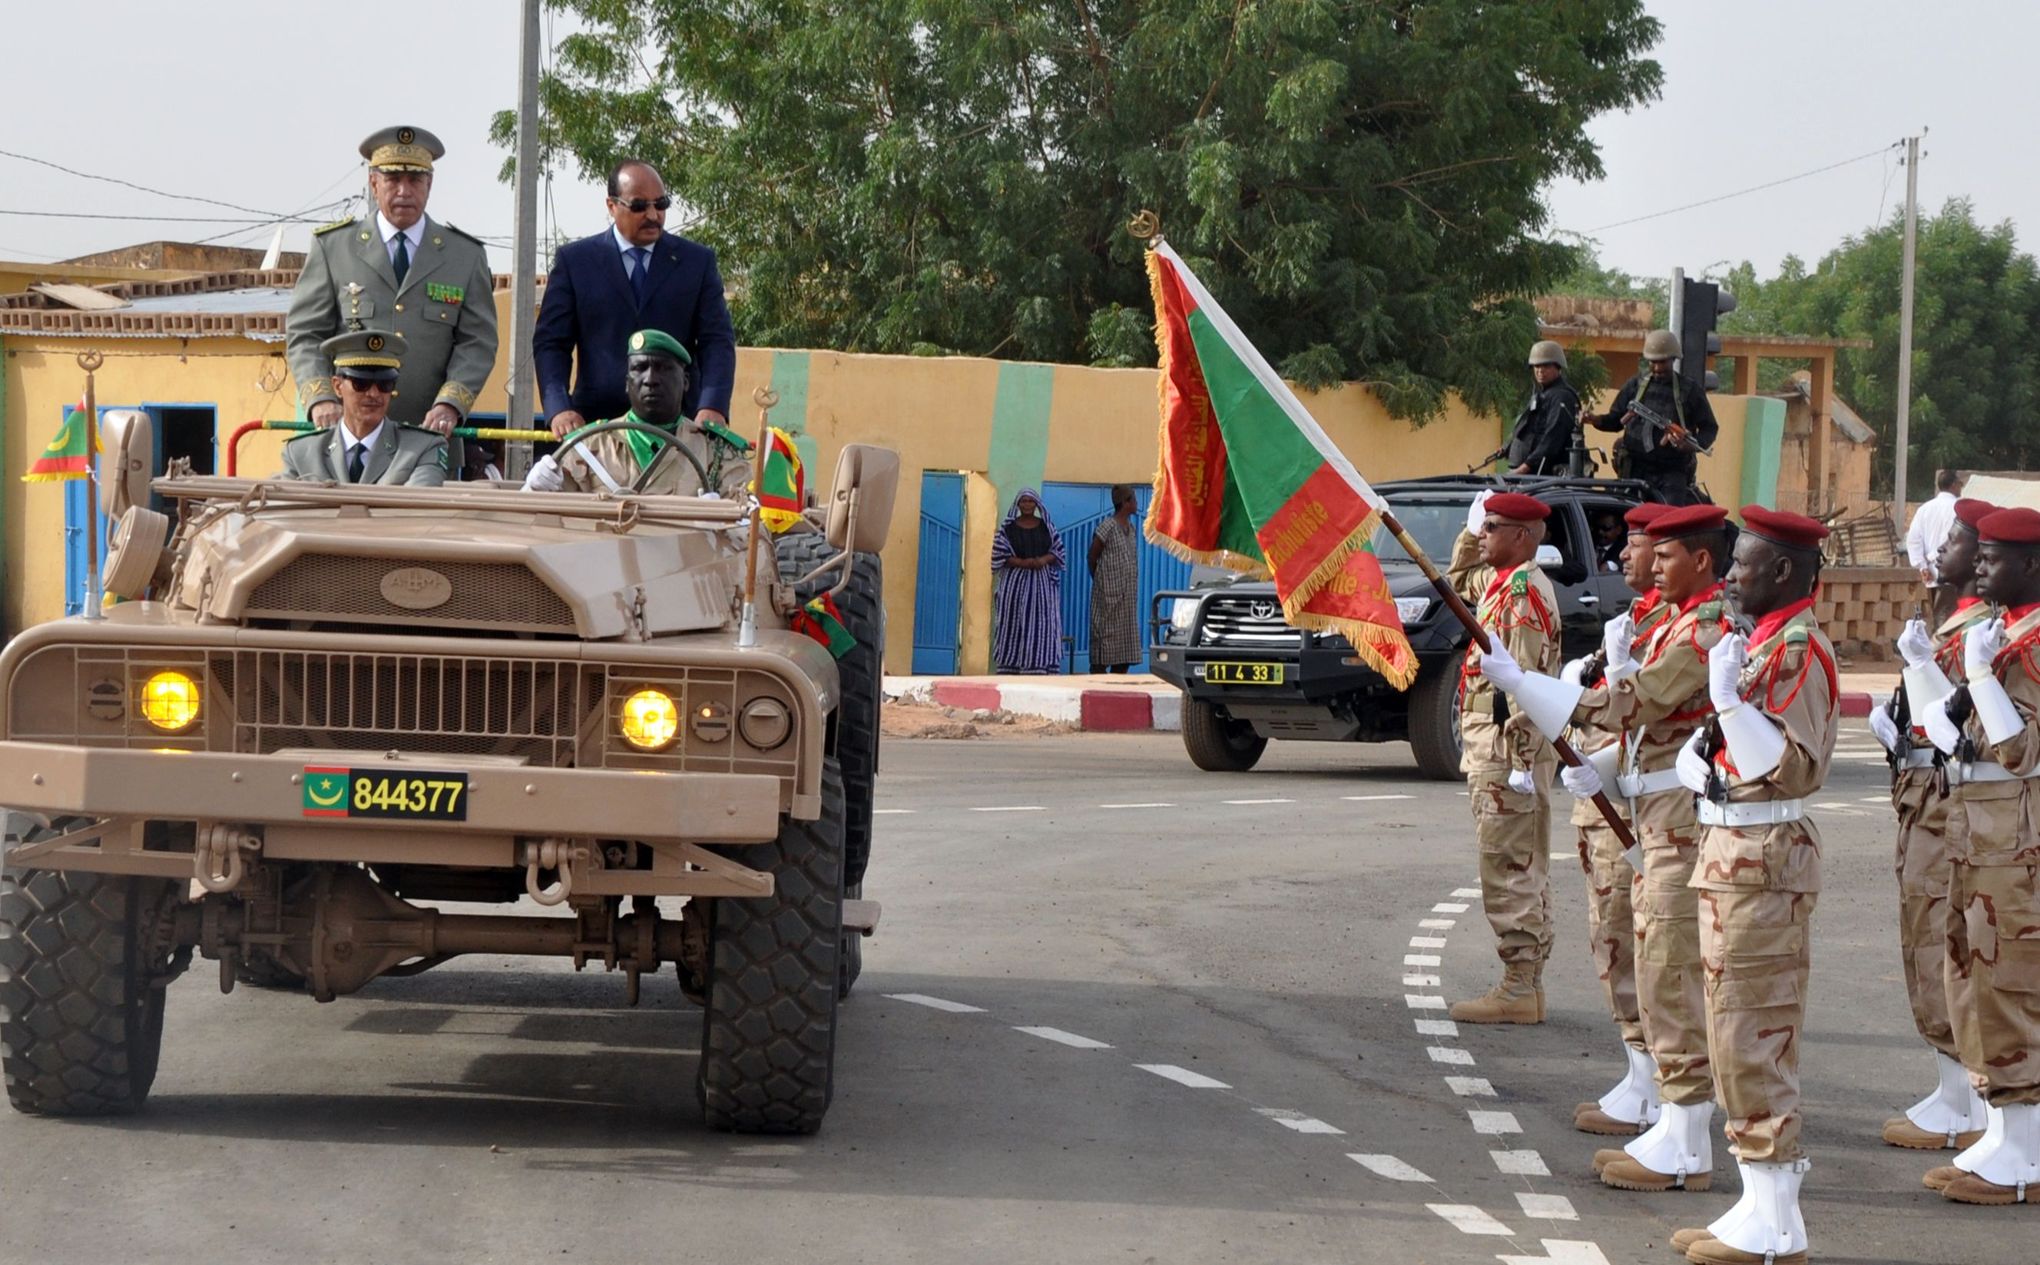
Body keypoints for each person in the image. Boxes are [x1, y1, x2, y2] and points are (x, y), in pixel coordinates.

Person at [1482, 503, 1735, 1195]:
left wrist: (1527, 686)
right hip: (1654, 806)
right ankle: (1672, 1120)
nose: (1645, 560)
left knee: (1670, 970)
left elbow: (1632, 704)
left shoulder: (1706, 630)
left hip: (1680, 818)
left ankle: (1685, 1136)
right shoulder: (1679, 621)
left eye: (1663, 550)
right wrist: (1608, 768)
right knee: (1654, 965)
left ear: (1700, 559)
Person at [1914, 505, 2040, 1206]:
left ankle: (2026, 1149)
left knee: (2011, 984)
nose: (1982, 565)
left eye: (1996, 556)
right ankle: (2004, 1128)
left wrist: (1982, 676)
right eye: (1980, 553)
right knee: (1972, 981)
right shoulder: (2006, 633)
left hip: (2016, 843)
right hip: (1980, 834)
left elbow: (2020, 749)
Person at [1867, 497, 1996, 1154]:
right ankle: (1954, 1089)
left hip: (1947, 805)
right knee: (1923, 941)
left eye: (1953, 544)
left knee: (1939, 947)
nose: (1939, 555)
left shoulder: (1980, 630)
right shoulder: (1950, 624)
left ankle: (1968, 1098)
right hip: (1922, 798)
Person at [1561, 501, 1674, 1139]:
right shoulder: (1639, 621)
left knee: (1643, 947)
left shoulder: (1679, 629)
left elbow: (1651, 714)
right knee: (1614, 939)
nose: (1628, 556)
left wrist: (1576, 699)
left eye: (1646, 547)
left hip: (1654, 812)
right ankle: (1641, 1073)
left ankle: (1660, 1086)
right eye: (1632, 545)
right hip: (1625, 798)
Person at [286, 126, 497, 439]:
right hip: (343, 436)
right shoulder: (333, 248)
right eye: (393, 179)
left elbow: (477, 343)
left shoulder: (464, 256)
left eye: (414, 179)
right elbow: (305, 334)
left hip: (428, 437)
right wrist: (320, 397)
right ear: (374, 182)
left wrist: (451, 404)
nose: (404, 190)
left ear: (430, 183)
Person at [1445, 490, 1561, 1024]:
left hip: (1505, 748)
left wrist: (1519, 762)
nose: (1483, 535)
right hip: (1493, 746)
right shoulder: (1502, 582)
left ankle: (1518, 986)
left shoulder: (1521, 597)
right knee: (1515, 862)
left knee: (1508, 865)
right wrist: (1471, 533)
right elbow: (1459, 579)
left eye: (1492, 527)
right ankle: (1526, 985)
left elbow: (1521, 687)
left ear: (1523, 536)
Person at [536, 159, 738, 438]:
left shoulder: (696, 262)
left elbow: (717, 340)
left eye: (661, 204)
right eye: (640, 206)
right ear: (611, 206)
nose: (654, 215)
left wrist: (713, 405)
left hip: (679, 430)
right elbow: (551, 343)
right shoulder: (575, 262)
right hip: (597, 428)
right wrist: (559, 407)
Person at [522, 329, 751, 498]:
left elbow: (750, 533)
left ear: (686, 382)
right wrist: (533, 490)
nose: (650, 380)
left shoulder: (716, 454)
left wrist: (722, 521)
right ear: (626, 383)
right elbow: (541, 528)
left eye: (663, 368)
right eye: (639, 369)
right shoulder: (590, 448)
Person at [279, 331, 447, 486]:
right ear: (337, 386)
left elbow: (416, 507)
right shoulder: (301, 453)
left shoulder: (422, 447)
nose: (374, 394)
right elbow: (290, 511)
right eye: (361, 384)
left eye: (384, 384)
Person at [1591, 330, 1719, 506]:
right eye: (1653, 362)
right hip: (1634, 469)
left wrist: (1689, 443)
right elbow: (1615, 421)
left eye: (1662, 362)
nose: (1657, 368)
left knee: (1669, 521)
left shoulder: (1689, 390)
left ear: (1673, 359)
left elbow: (1709, 428)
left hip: (1671, 473)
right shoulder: (1635, 385)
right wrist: (1594, 419)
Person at [992, 489, 1065, 675]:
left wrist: (1042, 560)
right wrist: (1023, 563)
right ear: (1017, 504)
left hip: (1041, 586)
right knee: (1012, 622)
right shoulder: (1008, 529)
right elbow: (999, 554)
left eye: (1030, 501)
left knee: (1042, 623)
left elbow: (1058, 551)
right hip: (1014, 585)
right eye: (1023, 501)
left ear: (1037, 504)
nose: (1026, 505)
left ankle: (1039, 663)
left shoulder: (1046, 527)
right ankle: (1011, 664)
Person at [1506, 341, 1582, 476]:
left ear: (1558, 367)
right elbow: (1527, 429)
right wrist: (1507, 447)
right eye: (1536, 366)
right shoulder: (1542, 394)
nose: (1540, 370)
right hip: (1532, 475)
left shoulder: (1562, 397)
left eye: (1546, 366)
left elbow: (1552, 439)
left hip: (1547, 478)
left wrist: (1524, 468)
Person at [1087, 485, 1141, 673]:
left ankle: (1119, 682)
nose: (1136, 503)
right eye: (1133, 499)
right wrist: (1102, 583)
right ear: (1125, 503)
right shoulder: (1107, 527)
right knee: (1104, 643)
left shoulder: (1132, 529)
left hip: (1126, 600)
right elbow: (1092, 557)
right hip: (1108, 599)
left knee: (1124, 648)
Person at [1906, 468, 1967, 603]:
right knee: (1951, 617)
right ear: (1953, 485)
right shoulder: (1959, 508)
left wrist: (1922, 566)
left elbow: (1913, 540)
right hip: (1954, 573)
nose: (1961, 488)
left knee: (1936, 614)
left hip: (1931, 573)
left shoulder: (1924, 509)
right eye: (1960, 484)